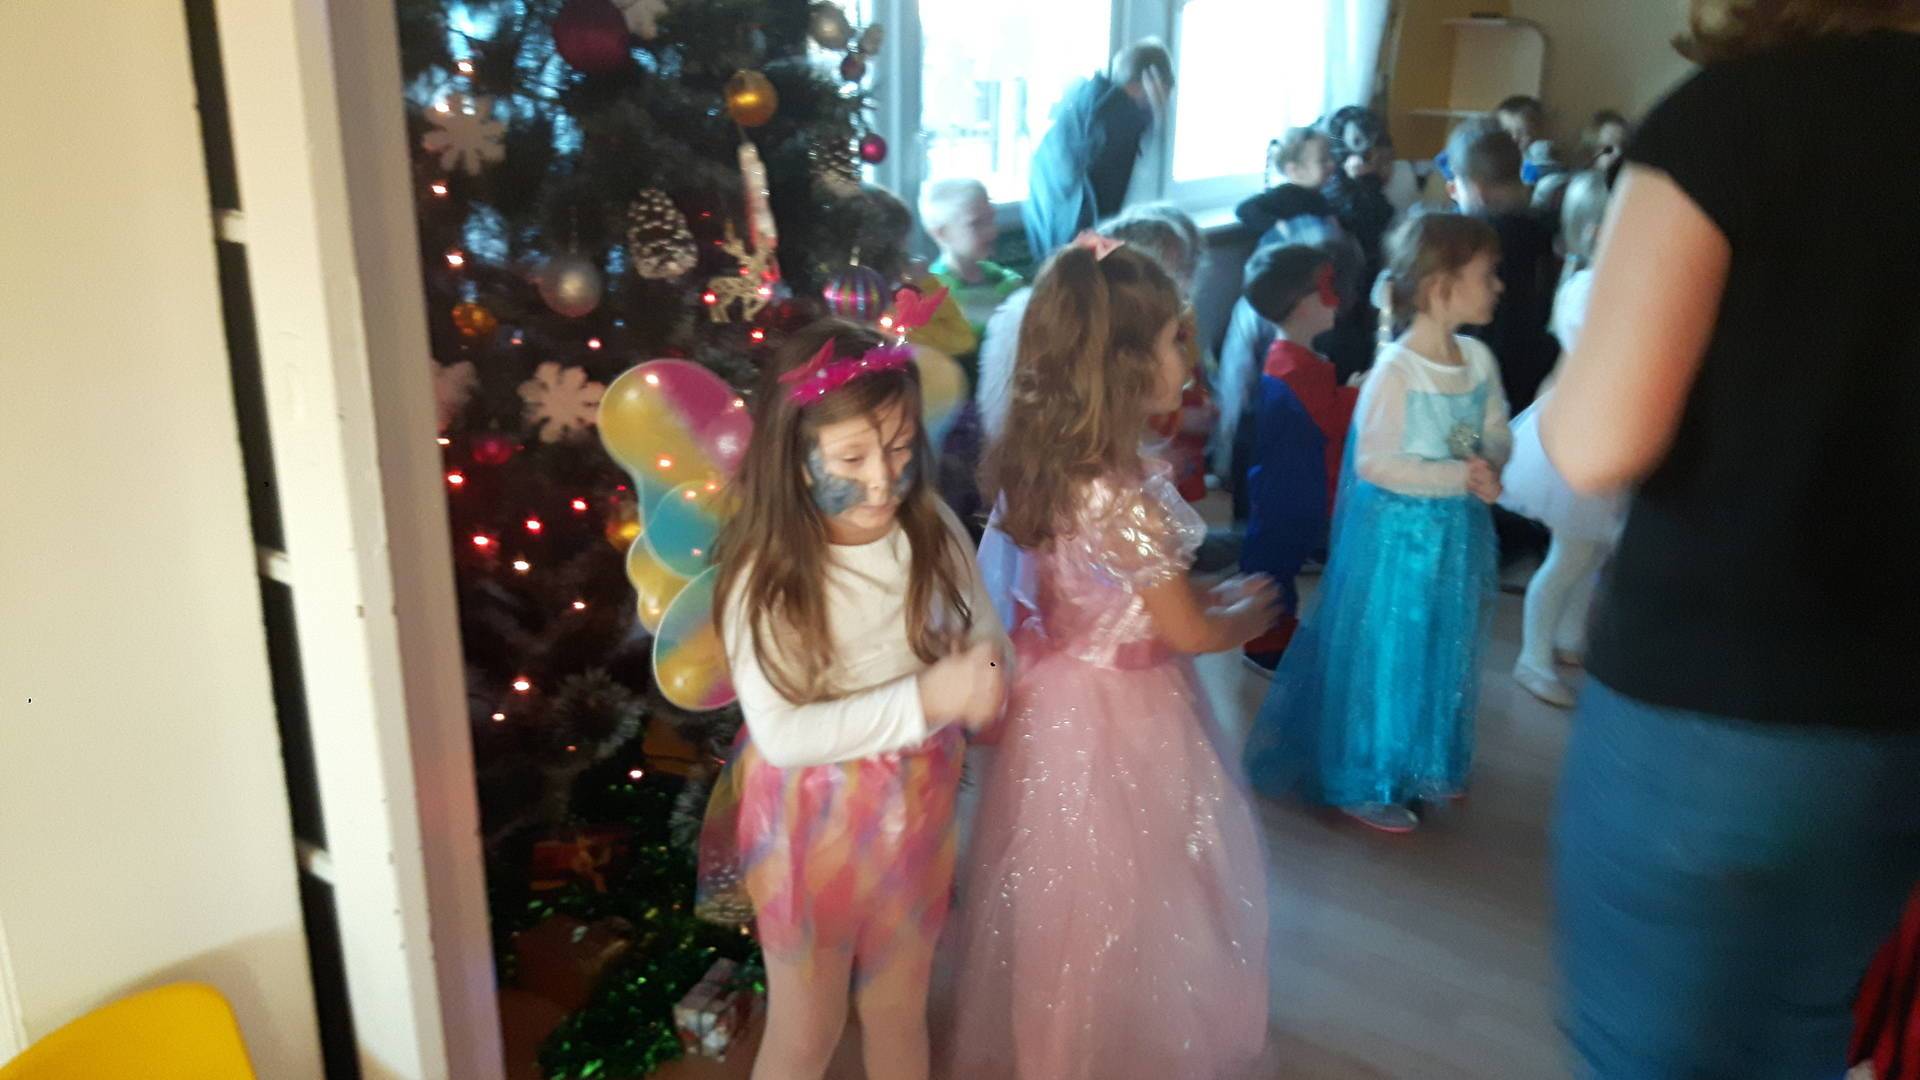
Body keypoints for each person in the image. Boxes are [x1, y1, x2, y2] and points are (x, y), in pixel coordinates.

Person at [1541, 6, 1920, 1076]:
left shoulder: (1737, 120)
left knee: (1649, 1053)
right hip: (1902, 715)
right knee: (1801, 1033)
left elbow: (1597, 442)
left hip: (1716, 707)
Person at [944, 238, 1274, 1079]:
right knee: (1128, 886)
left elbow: (1118, 601)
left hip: (1060, 699)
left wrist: (1205, 604)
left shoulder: (1058, 467)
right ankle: (1107, 1040)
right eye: (1173, 340)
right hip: (1126, 716)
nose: (1187, 358)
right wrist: (1242, 616)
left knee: (1064, 893)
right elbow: (1184, 632)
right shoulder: (1125, 500)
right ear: (1124, 365)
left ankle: (1059, 1041)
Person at [697, 316, 1008, 1080]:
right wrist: (929, 697)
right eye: (851, 457)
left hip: (919, 803)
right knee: (809, 1026)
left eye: (899, 449)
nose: (881, 480)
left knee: (899, 1008)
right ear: (796, 458)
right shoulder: (767, 576)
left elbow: (983, 628)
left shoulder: (930, 526)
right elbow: (782, 735)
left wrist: (987, 674)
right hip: (809, 823)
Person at [1244, 212, 1511, 834]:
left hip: (1455, 540)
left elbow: (1495, 426)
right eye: (1487, 275)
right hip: (1399, 544)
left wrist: (1490, 460)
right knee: (1392, 652)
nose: (1498, 286)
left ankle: (1424, 757)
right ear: (1441, 284)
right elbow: (1376, 463)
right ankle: (1364, 774)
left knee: (1442, 645)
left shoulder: (1478, 358)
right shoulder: (1396, 370)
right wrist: (1459, 476)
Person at [1498, 170, 1624, 708]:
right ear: (1595, 231)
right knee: (1572, 554)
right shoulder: (1589, 288)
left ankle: (1570, 637)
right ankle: (1532, 659)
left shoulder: (1602, 283)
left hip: (1602, 428)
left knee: (1590, 551)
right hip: (1582, 431)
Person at [1239, 244, 1357, 672]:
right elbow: (1328, 419)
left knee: (1279, 565)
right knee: (1274, 568)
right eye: (1326, 291)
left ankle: (1277, 631)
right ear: (1300, 303)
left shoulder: (1297, 360)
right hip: (1289, 492)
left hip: (1296, 485)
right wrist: (1356, 393)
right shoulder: (1291, 366)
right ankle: (1265, 643)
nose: (1336, 301)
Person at [1022, 40, 1174, 260]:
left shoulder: (1087, 102)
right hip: (1077, 251)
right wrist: (1153, 117)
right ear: (1151, 82)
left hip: (1050, 240)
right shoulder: (1120, 121)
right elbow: (1107, 214)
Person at [1447, 120, 1561, 412]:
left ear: (1476, 189)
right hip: (1534, 375)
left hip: (1482, 381)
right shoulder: (1543, 230)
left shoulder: (1472, 245)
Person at [919, 178, 1025, 336]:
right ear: (941, 233)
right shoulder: (935, 296)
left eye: (991, 219)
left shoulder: (1006, 280)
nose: (992, 232)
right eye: (976, 224)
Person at [1238, 126, 1341, 249]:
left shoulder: (1319, 197)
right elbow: (1245, 208)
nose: (1332, 164)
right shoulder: (1283, 195)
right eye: (1323, 160)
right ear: (1295, 170)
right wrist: (1278, 226)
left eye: (1331, 157)